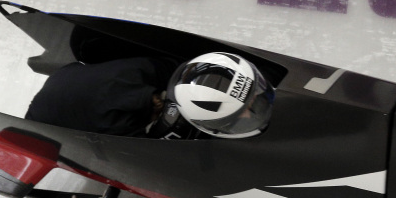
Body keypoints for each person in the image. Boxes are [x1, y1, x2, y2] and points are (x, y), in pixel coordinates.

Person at [25, 52, 274, 139]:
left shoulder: (148, 69)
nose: (247, 113)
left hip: (68, 75)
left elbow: (179, 68)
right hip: (41, 118)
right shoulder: (118, 123)